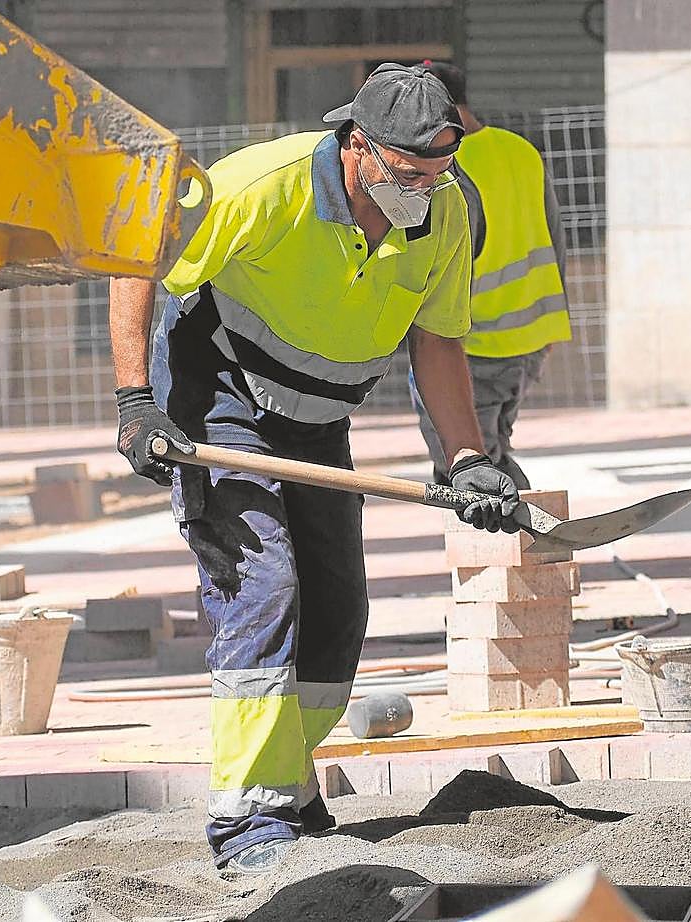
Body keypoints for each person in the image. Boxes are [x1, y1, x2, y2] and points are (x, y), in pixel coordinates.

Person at [109, 63, 521, 875]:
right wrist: (134, 400)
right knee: (263, 589)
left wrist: (469, 458)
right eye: (409, 173)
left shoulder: (444, 212)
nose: (426, 189)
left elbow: (436, 341)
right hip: (216, 389)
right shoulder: (261, 186)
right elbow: (137, 256)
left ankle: (287, 787)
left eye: (441, 172)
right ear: (358, 146)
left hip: (318, 417)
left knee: (337, 617)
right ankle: (246, 824)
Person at [409, 61, 572, 489]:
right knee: (493, 449)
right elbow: (556, 242)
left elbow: (438, 258)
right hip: (529, 340)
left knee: (469, 468)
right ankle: (519, 547)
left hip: (471, 342)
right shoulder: (521, 150)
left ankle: (525, 543)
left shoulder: (445, 165)